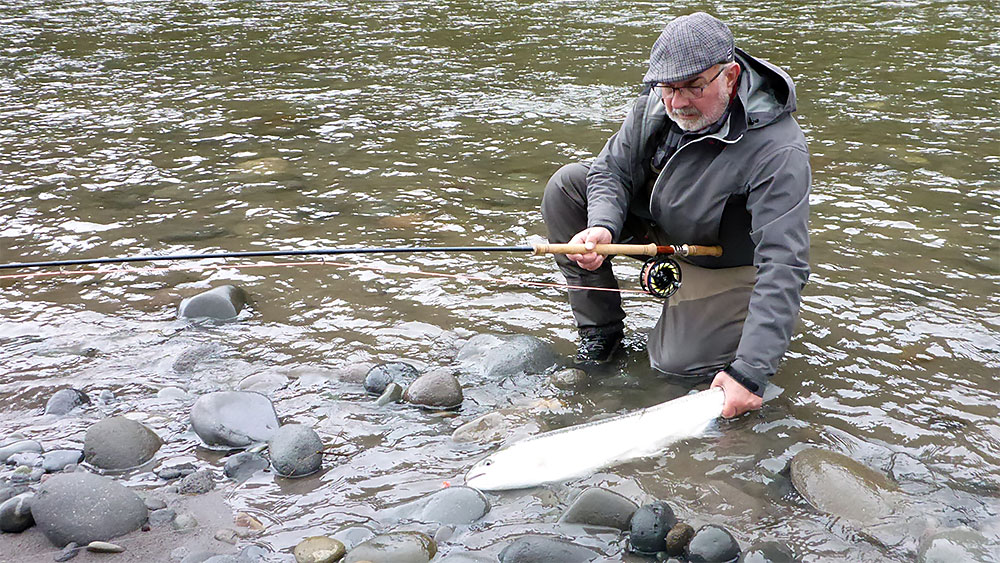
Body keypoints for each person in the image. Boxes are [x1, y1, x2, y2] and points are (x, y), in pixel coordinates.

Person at [541, 12, 810, 418]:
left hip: (726, 262)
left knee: (673, 366)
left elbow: (785, 263)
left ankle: (739, 329)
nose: (678, 101)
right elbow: (609, 170)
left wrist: (750, 373)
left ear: (731, 76)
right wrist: (601, 226)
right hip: (665, 230)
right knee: (568, 186)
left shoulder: (779, 149)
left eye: (694, 86)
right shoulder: (656, 103)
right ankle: (602, 335)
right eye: (668, 87)